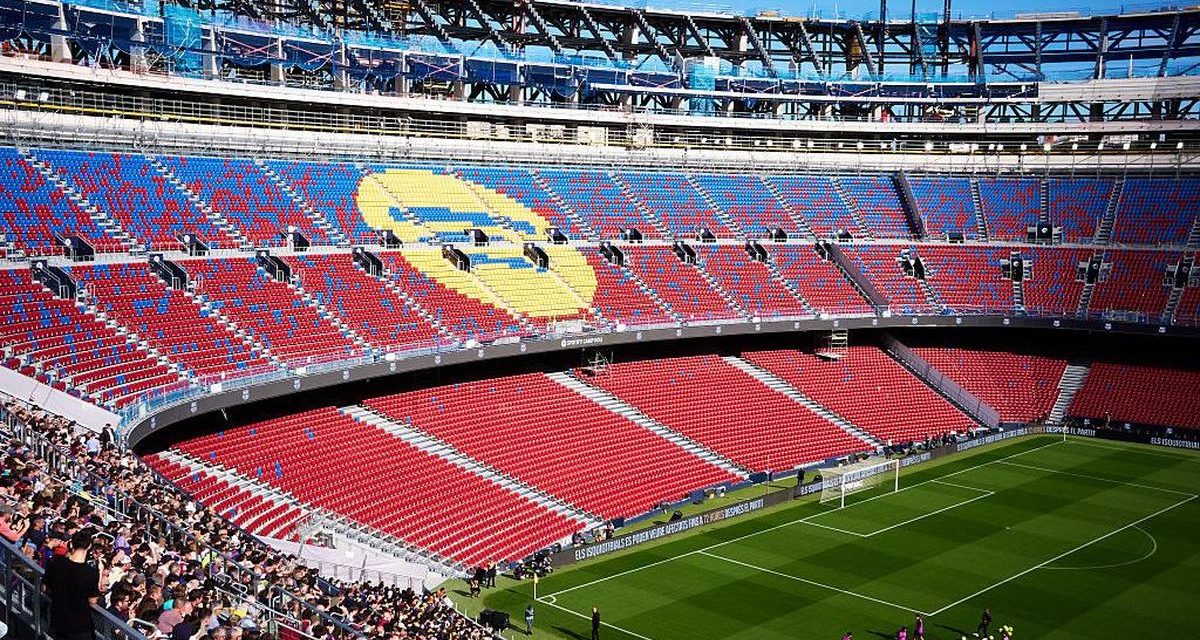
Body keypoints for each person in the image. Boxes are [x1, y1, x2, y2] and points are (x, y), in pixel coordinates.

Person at [43, 529, 101, 640]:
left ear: (71, 543)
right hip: (80, 626)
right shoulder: (91, 572)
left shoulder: (55, 562)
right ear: (89, 547)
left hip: (58, 620)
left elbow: (45, 587)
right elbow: (92, 600)